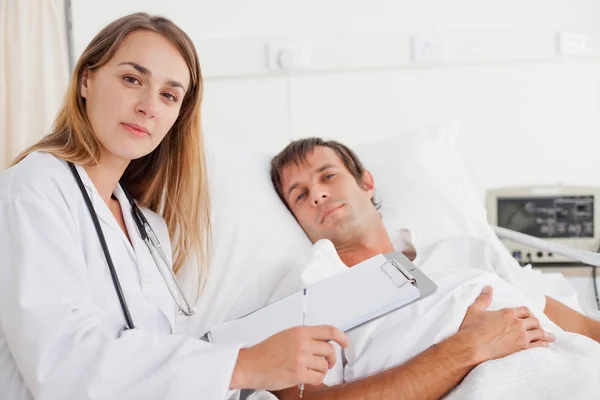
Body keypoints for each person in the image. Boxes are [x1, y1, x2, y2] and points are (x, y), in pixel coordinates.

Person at [0, 14, 349, 400]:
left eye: (169, 95)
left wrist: (265, 368)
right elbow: (63, 365)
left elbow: (159, 368)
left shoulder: (148, 227)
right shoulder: (34, 187)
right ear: (87, 80)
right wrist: (245, 364)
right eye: (132, 79)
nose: (149, 106)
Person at [268, 137, 600, 399]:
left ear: (366, 183)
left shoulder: (466, 251)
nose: (318, 194)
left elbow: (582, 329)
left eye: (328, 176)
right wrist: (466, 348)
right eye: (300, 195)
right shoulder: (312, 284)